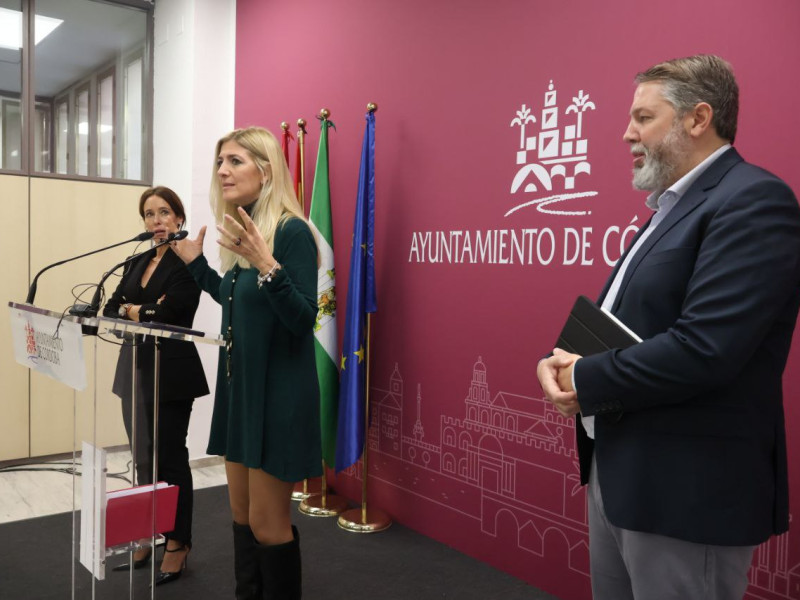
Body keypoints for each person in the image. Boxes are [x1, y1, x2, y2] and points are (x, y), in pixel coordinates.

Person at [537, 55, 800, 600]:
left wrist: (587, 379)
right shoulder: (669, 209)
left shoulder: (752, 200)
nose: (626, 133)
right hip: (624, 472)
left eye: (643, 117)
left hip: (687, 494)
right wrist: (564, 363)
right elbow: (630, 323)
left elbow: (705, 349)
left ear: (698, 119)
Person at [171, 126, 321, 600]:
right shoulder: (243, 227)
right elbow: (236, 301)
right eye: (221, 162)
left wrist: (266, 263)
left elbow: (301, 320)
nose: (222, 171)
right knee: (240, 513)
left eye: (235, 161)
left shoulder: (291, 232)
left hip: (279, 394)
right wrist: (197, 265)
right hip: (240, 392)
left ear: (267, 168)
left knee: (266, 522)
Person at [104, 186, 209, 585]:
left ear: (179, 218)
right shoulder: (139, 259)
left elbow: (174, 310)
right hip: (134, 368)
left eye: (164, 212)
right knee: (143, 460)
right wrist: (139, 310)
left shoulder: (186, 262)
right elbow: (111, 306)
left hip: (172, 373)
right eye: (149, 214)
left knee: (169, 459)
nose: (156, 221)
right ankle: (148, 532)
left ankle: (178, 542)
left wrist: (139, 309)